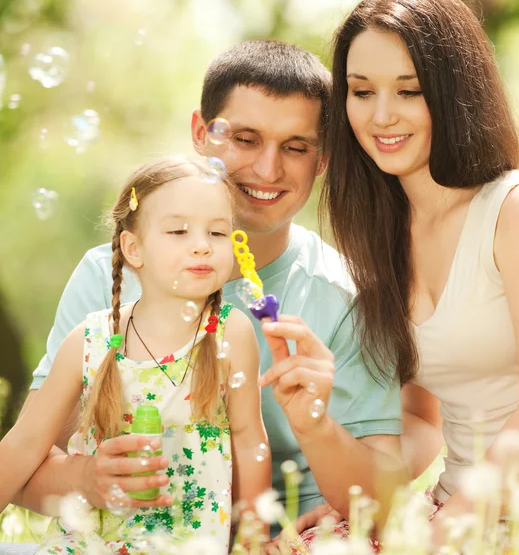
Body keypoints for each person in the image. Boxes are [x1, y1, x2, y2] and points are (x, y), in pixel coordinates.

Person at [13, 41, 405, 537]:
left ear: (323, 159)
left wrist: (316, 428)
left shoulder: (347, 298)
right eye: (245, 138)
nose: (268, 170)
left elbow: (386, 504)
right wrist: (87, 478)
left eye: (295, 147)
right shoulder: (105, 278)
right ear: (202, 132)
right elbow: (28, 461)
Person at [322, 0, 519, 532]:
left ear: (453, 92)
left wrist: (450, 534)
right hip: (455, 512)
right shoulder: (385, 237)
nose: (381, 116)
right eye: (361, 91)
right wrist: (350, 508)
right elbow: (419, 420)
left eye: (409, 90)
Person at [0, 155, 270, 553]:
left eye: (217, 233)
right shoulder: (89, 340)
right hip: (88, 543)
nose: (201, 246)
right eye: (178, 231)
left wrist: (254, 540)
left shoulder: (232, 333)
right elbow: (23, 445)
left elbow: (250, 441)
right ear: (133, 248)